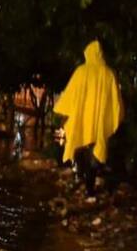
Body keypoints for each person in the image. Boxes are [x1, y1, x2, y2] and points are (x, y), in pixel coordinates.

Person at [52, 39, 123, 198]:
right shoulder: (109, 74)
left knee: (80, 150)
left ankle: (84, 182)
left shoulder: (81, 72)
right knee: (96, 152)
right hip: (99, 123)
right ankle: (90, 187)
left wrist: (64, 115)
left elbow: (70, 95)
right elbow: (115, 102)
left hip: (82, 123)